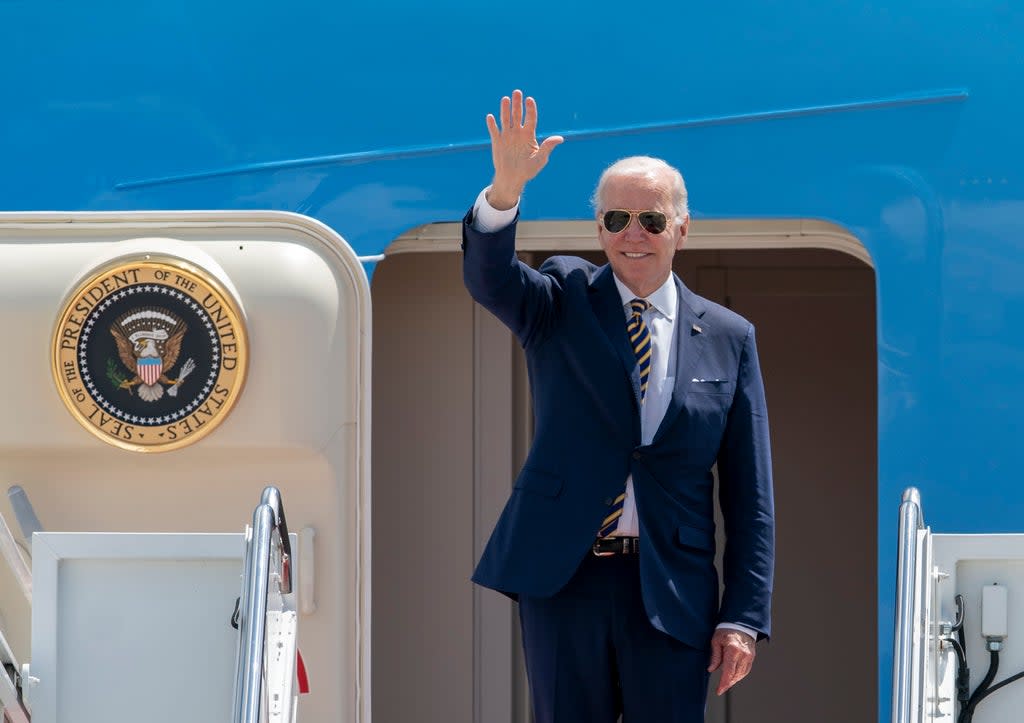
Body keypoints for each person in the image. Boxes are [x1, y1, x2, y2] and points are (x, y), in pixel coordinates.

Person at [463, 90, 775, 723]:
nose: (634, 234)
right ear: (597, 228)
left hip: (672, 589)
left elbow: (750, 493)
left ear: (682, 229)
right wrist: (504, 191)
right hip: (565, 576)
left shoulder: (728, 336)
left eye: (652, 221)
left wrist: (743, 615)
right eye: (615, 220)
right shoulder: (561, 298)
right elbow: (490, 280)